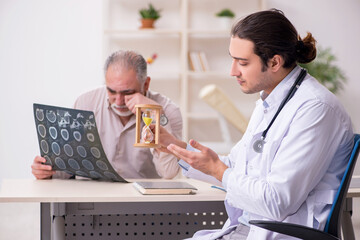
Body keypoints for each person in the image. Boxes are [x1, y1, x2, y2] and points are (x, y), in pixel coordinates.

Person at [156, 9, 354, 239]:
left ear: (274, 62)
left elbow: (277, 202)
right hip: (245, 228)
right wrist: (177, 148)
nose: (232, 71)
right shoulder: (269, 100)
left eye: (242, 62)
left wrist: (219, 171)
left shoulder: (316, 109)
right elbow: (238, 166)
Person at [31, 50, 182, 180]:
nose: (119, 101)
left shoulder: (169, 112)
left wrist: (155, 114)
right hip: (91, 198)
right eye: (111, 91)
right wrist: (47, 171)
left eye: (127, 92)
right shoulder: (86, 102)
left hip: (140, 201)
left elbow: (168, 173)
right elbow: (68, 167)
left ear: (146, 84)